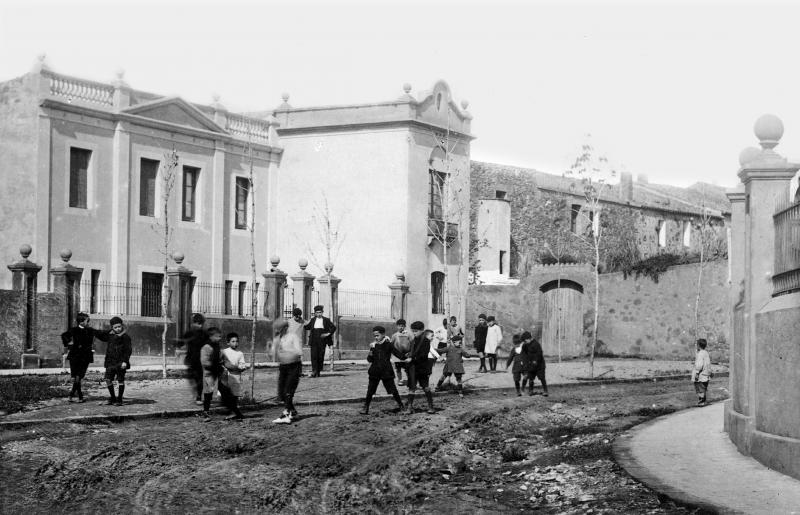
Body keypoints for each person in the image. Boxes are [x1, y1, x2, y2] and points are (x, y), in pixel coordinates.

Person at [61, 312, 108, 403]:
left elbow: (101, 334)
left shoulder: (90, 330)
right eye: (87, 321)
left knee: (79, 376)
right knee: (76, 377)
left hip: (85, 356)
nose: (88, 322)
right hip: (75, 355)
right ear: (81, 322)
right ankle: (78, 396)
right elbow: (64, 336)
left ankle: (73, 395)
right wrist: (69, 344)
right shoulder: (74, 330)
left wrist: (110, 332)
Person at [360, 326, 405, 415]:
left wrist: (407, 358)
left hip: (386, 371)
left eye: (377, 335)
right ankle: (366, 407)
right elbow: (369, 360)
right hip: (375, 371)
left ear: (383, 334)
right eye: (374, 336)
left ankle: (401, 406)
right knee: (370, 390)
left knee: (393, 390)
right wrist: (371, 350)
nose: (376, 337)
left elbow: (398, 354)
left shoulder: (389, 344)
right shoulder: (373, 345)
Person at [272, 319, 303, 424]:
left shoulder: (293, 337)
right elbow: (273, 355)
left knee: (288, 390)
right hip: (283, 366)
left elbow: (299, 352)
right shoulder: (278, 338)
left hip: (294, 366)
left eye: (279, 329)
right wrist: (271, 350)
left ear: (285, 328)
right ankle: (293, 412)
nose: (277, 331)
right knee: (281, 393)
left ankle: (286, 414)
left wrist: (285, 351)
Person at [176, 313, 208, 406]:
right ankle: (195, 391)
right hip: (191, 359)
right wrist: (178, 346)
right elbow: (181, 342)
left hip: (201, 360)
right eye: (198, 323)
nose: (200, 325)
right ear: (194, 323)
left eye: (201, 323)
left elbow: (209, 345)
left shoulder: (204, 334)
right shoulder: (189, 333)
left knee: (199, 379)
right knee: (191, 377)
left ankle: (198, 397)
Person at [405, 321, 436, 414]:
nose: (414, 333)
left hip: (422, 367)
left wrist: (412, 358)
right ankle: (409, 407)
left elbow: (423, 355)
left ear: (422, 330)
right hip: (413, 368)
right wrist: (408, 354)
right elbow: (412, 351)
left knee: (425, 387)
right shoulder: (413, 340)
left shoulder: (426, 341)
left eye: (416, 331)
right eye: (413, 331)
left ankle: (431, 406)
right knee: (412, 387)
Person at [104, 316, 132, 406]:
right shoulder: (110, 336)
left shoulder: (125, 337)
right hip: (111, 362)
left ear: (122, 325)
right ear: (112, 328)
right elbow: (108, 349)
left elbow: (128, 350)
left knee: (120, 380)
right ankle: (112, 398)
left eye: (119, 326)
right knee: (108, 379)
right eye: (115, 327)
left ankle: (119, 399)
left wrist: (125, 361)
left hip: (120, 362)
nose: (118, 329)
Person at [434, 332, 472, 397]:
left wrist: (469, 355)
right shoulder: (449, 348)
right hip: (449, 366)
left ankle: (460, 391)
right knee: (443, 376)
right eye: (459, 342)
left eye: (461, 342)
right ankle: (438, 387)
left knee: (459, 379)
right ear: (454, 342)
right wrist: (434, 349)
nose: (460, 344)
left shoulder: (461, 349)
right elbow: (441, 350)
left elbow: (466, 355)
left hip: (457, 366)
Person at [220, 332, 247, 421]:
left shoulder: (240, 353)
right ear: (228, 342)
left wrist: (242, 367)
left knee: (234, 395)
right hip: (226, 376)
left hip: (236, 376)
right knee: (226, 394)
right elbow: (221, 363)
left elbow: (242, 364)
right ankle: (232, 411)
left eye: (237, 341)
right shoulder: (224, 352)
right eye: (233, 341)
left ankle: (234, 412)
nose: (235, 343)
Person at [304, 305, 336, 377]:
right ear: (315, 313)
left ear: (322, 312)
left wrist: (328, 334)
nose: (319, 314)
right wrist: (304, 322)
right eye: (317, 312)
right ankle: (314, 370)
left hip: (322, 339)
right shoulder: (312, 320)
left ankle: (318, 371)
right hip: (314, 339)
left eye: (320, 312)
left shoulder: (326, 320)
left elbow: (333, 327)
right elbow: (307, 327)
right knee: (314, 355)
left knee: (320, 356)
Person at [200, 327, 223, 421]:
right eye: (218, 336)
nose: (220, 338)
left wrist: (221, 362)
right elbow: (204, 362)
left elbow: (220, 357)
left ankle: (230, 409)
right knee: (208, 392)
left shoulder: (217, 346)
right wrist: (214, 364)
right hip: (209, 373)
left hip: (217, 371)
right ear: (211, 336)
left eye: (220, 336)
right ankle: (206, 412)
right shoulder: (206, 347)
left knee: (222, 389)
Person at [522, 331, 548, 396]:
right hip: (531, 365)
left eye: (525, 341)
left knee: (542, 377)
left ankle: (545, 391)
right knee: (531, 378)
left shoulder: (536, 344)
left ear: (529, 338)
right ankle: (531, 391)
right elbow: (524, 353)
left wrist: (535, 361)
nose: (525, 342)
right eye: (524, 341)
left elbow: (539, 354)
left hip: (539, 365)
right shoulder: (525, 345)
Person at [390, 319, 412, 386]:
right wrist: (391, 356)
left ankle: (410, 380)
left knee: (407, 368)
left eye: (402, 326)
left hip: (406, 355)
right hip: (397, 356)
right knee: (398, 369)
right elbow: (391, 345)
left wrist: (410, 352)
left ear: (405, 326)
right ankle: (400, 380)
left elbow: (412, 343)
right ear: (397, 326)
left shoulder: (408, 334)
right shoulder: (395, 335)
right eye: (399, 326)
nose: (401, 327)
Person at [692, 338, 711, 406]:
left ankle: (701, 401)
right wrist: (709, 372)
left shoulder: (700, 354)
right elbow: (708, 364)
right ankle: (703, 401)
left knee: (700, 388)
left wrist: (697, 373)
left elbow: (699, 365)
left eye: (697, 345)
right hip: (706, 374)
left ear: (699, 345)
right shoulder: (706, 353)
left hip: (701, 375)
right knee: (703, 388)